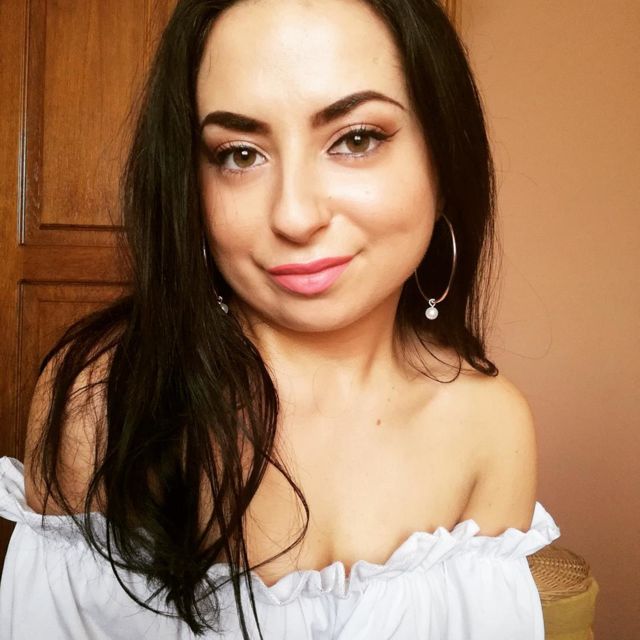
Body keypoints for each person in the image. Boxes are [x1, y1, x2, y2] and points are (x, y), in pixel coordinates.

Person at [0, 0, 561, 638]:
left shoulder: (490, 426)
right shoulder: (105, 400)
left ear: (444, 156)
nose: (294, 216)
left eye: (356, 139)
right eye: (240, 154)